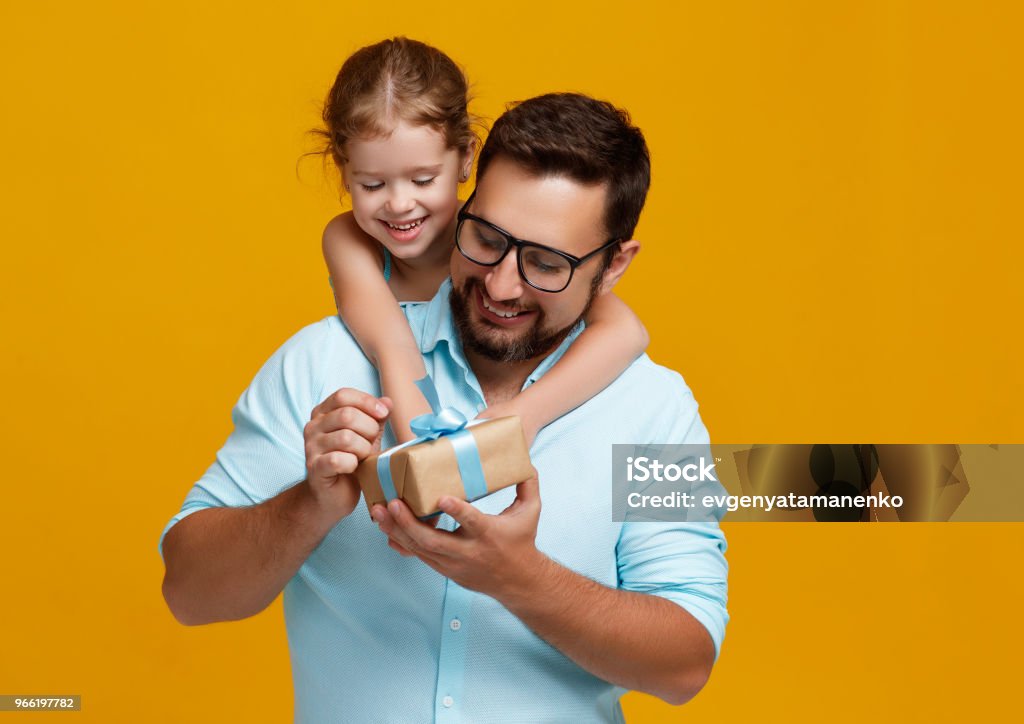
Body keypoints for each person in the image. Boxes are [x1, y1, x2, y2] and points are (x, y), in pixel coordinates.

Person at [160, 92, 728, 723]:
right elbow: (188, 592)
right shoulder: (324, 363)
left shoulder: (655, 411)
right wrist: (310, 504)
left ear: (614, 264)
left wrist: (518, 576)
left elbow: (685, 664)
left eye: (547, 264)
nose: (503, 285)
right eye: (486, 238)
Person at [313, 37, 648, 445]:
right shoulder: (349, 241)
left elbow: (626, 331)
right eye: (372, 184)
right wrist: (429, 465)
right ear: (343, 170)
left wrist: (527, 413)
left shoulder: (656, 403)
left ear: (466, 158)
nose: (400, 205)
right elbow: (395, 351)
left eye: (423, 180)